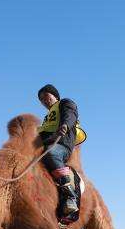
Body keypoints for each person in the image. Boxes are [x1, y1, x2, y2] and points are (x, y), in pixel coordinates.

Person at [36, 84, 87, 218]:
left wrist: (65, 124)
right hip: (44, 146)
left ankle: (70, 195)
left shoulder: (65, 103)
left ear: (55, 96)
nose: (44, 101)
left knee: (51, 153)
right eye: (41, 100)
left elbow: (70, 114)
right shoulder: (46, 118)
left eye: (46, 96)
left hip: (61, 144)